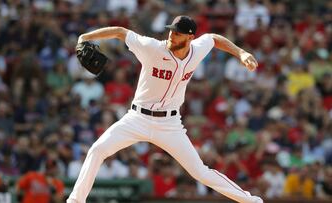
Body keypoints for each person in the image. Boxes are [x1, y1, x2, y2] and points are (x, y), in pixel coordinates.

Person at [67, 15, 262, 203]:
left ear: (189, 37)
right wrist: (85, 37)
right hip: (137, 118)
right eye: (171, 31)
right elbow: (120, 31)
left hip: (170, 125)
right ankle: (75, 200)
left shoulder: (196, 50)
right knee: (98, 149)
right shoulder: (152, 47)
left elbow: (214, 39)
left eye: (177, 33)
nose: (171, 35)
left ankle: (251, 201)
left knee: (200, 171)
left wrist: (241, 53)